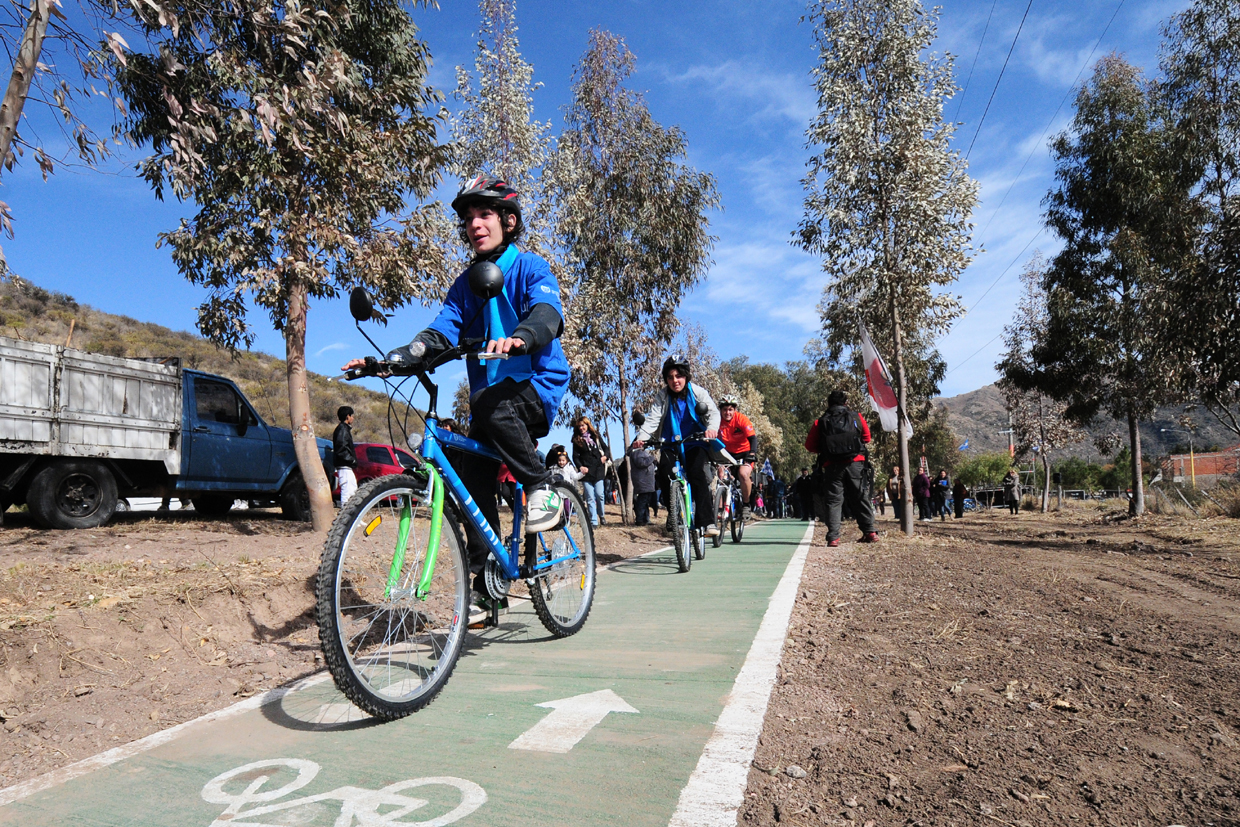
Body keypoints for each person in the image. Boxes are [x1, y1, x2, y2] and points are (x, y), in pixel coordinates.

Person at [350, 175, 569, 607]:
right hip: (492, 403)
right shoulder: (466, 284)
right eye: (468, 218)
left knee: (488, 404)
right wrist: (390, 360)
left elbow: (547, 313)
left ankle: (542, 487)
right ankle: (489, 585)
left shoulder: (530, 267)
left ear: (508, 220)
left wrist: (521, 337)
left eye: (484, 214)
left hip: (536, 389)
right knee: (469, 474)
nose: (474, 224)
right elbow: (438, 333)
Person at [633, 354, 721, 537]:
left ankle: (707, 522)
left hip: (695, 441)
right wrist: (641, 438)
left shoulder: (697, 392)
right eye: (671, 377)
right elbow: (653, 419)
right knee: (665, 472)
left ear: (686, 376)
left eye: (679, 376)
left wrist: (711, 429)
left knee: (697, 473)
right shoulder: (662, 396)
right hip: (670, 443)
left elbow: (712, 413)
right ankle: (674, 512)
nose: (675, 380)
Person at [805, 390, 877, 547]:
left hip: (832, 465)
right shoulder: (856, 416)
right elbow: (867, 438)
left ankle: (833, 538)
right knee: (860, 496)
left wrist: (827, 449)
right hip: (856, 462)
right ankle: (870, 532)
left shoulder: (821, 421)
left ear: (828, 403)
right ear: (845, 403)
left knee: (833, 500)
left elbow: (809, 446)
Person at [716, 394, 757, 516]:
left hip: (744, 453)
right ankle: (719, 509)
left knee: (743, 474)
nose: (727, 413)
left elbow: (753, 439)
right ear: (720, 410)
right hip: (727, 453)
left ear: (735, 410)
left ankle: (746, 504)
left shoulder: (741, 419)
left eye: (730, 409)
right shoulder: (717, 421)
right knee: (721, 475)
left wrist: (752, 454)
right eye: (724, 409)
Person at [571, 416, 611, 528]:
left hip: (598, 469)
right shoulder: (576, 440)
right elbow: (575, 457)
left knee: (600, 494)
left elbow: (606, 448)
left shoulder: (596, 436)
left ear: (588, 425)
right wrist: (580, 467)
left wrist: (605, 457)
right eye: (579, 426)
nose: (581, 428)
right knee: (590, 497)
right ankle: (593, 521)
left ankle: (601, 515)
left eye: (583, 425)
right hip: (586, 472)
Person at [333, 406, 358, 505]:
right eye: (352, 416)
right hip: (344, 466)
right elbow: (341, 448)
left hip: (345, 466)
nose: (353, 418)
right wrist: (352, 460)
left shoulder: (343, 429)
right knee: (348, 491)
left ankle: (350, 516)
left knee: (352, 489)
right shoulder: (342, 429)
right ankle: (346, 516)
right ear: (348, 416)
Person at [628, 440, 656, 527]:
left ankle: (646, 519)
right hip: (643, 481)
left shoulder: (639, 453)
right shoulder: (637, 453)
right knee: (642, 501)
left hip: (645, 481)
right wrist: (652, 458)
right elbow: (641, 463)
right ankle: (640, 519)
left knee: (645, 501)